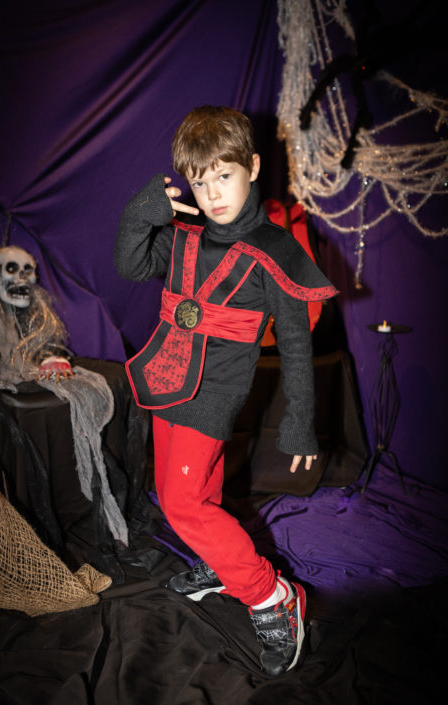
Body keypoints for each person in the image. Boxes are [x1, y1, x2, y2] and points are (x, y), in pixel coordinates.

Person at [114, 106, 337, 676]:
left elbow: (296, 344)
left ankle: (271, 597)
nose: (212, 193)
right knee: (193, 493)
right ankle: (220, 562)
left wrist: (300, 421)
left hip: (215, 393)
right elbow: (131, 265)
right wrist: (141, 214)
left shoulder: (276, 249)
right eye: (199, 180)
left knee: (183, 503)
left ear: (253, 167)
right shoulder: (184, 235)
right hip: (168, 378)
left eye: (224, 175)